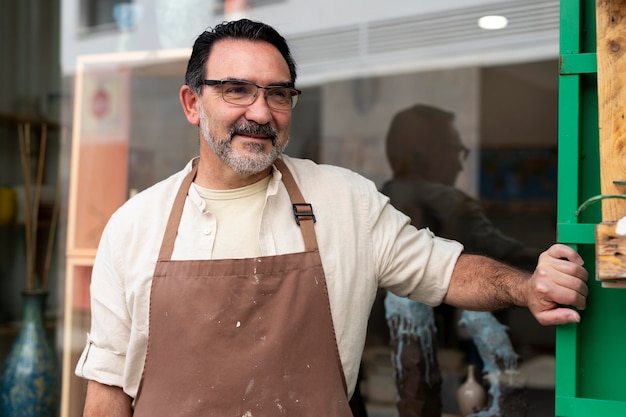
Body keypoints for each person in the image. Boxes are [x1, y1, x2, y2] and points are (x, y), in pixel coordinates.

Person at [76, 19, 588, 417]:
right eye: (237, 90)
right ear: (193, 103)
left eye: (278, 94)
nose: (261, 112)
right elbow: (107, 387)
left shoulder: (345, 201)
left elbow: (445, 271)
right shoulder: (134, 226)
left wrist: (526, 289)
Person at [381, 104, 541, 417]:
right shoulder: (451, 202)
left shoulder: (378, 197)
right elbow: (509, 254)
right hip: (441, 346)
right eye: (457, 149)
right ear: (429, 153)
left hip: (388, 354)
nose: (459, 161)